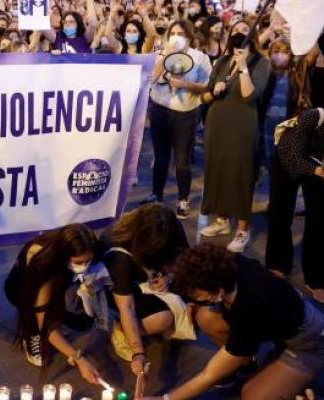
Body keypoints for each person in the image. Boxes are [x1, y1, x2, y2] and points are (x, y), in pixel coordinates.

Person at [144, 243, 324, 400]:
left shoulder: (250, 310)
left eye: (196, 293)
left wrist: (165, 398)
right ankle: (247, 360)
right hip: (278, 324)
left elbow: (209, 375)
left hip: (310, 343)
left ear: (218, 291)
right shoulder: (229, 264)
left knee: (252, 395)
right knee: (205, 316)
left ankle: (274, 371)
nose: (192, 297)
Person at [4, 224, 107, 385]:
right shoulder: (42, 260)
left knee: (81, 320)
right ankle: (30, 331)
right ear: (64, 255)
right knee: (41, 321)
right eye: (78, 262)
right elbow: (44, 321)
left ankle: (57, 317)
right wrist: (78, 358)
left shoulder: (84, 245)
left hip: (58, 284)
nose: (84, 265)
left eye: (88, 260)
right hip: (22, 290)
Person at [199, 23, 270, 253]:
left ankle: (242, 229)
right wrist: (214, 90)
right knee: (218, 170)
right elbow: (206, 97)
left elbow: (251, 95)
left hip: (242, 126)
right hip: (216, 124)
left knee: (240, 173)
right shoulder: (221, 61)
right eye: (236, 27)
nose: (240, 30)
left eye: (244, 27)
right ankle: (221, 220)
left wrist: (243, 68)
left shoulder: (261, 62)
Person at [102, 203, 190, 377]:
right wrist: (138, 352)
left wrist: (169, 277)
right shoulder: (119, 254)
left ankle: (140, 325)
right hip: (124, 291)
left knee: (192, 303)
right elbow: (127, 307)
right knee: (163, 320)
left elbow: (184, 256)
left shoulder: (168, 224)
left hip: (150, 279)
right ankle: (121, 328)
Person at [144, 20, 212, 219]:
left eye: (180, 33)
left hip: (185, 114)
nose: (175, 36)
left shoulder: (200, 58)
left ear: (189, 36)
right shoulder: (161, 53)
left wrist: (186, 84)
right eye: (172, 32)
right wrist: (165, 55)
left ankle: (183, 200)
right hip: (160, 110)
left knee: (182, 160)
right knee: (161, 157)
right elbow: (152, 78)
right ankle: (157, 195)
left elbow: (207, 86)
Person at [272, 108, 324, 302]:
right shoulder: (314, 115)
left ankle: (316, 277)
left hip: (316, 162)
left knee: (319, 219)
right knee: (281, 212)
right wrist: (316, 171)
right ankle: (278, 263)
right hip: (287, 157)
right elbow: (293, 156)